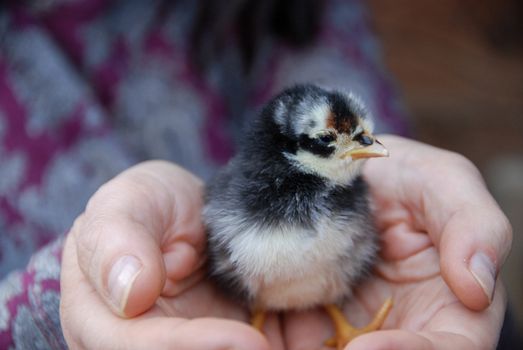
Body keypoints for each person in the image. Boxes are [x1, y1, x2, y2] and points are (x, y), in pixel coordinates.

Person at [0, 0, 513, 349]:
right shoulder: (240, 207)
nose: (367, 151)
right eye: (343, 145)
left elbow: (318, 50)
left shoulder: (342, 181)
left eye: (363, 141)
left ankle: (334, 316)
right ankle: (266, 315)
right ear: (295, 149)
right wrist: (56, 309)